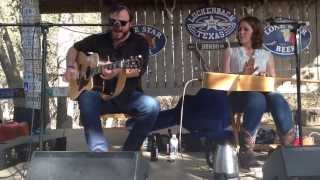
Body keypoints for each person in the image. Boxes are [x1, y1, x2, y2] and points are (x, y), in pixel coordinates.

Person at [63, 4, 160, 152]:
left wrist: (119, 71)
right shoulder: (100, 40)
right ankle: (99, 152)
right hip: (101, 97)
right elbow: (74, 48)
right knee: (85, 98)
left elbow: (139, 70)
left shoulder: (140, 43)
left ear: (130, 23)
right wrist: (71, 66)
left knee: (152, 106)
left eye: (122, 23)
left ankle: (129, 152)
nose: (117, 27)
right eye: (113, 22)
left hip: (128, 96)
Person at [222, 16, 295, 169]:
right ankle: (246, 151)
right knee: (257, 98)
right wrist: (243, 74)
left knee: (277, 98)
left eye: (245, 29)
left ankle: (288, 148)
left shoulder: (266, 55)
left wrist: (265, 77)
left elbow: (272, 83)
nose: (241, 32)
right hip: (238, 97)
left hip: (262, 95)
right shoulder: (231, 52)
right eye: (239, 29)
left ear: (255, 32)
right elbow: (226, 85)